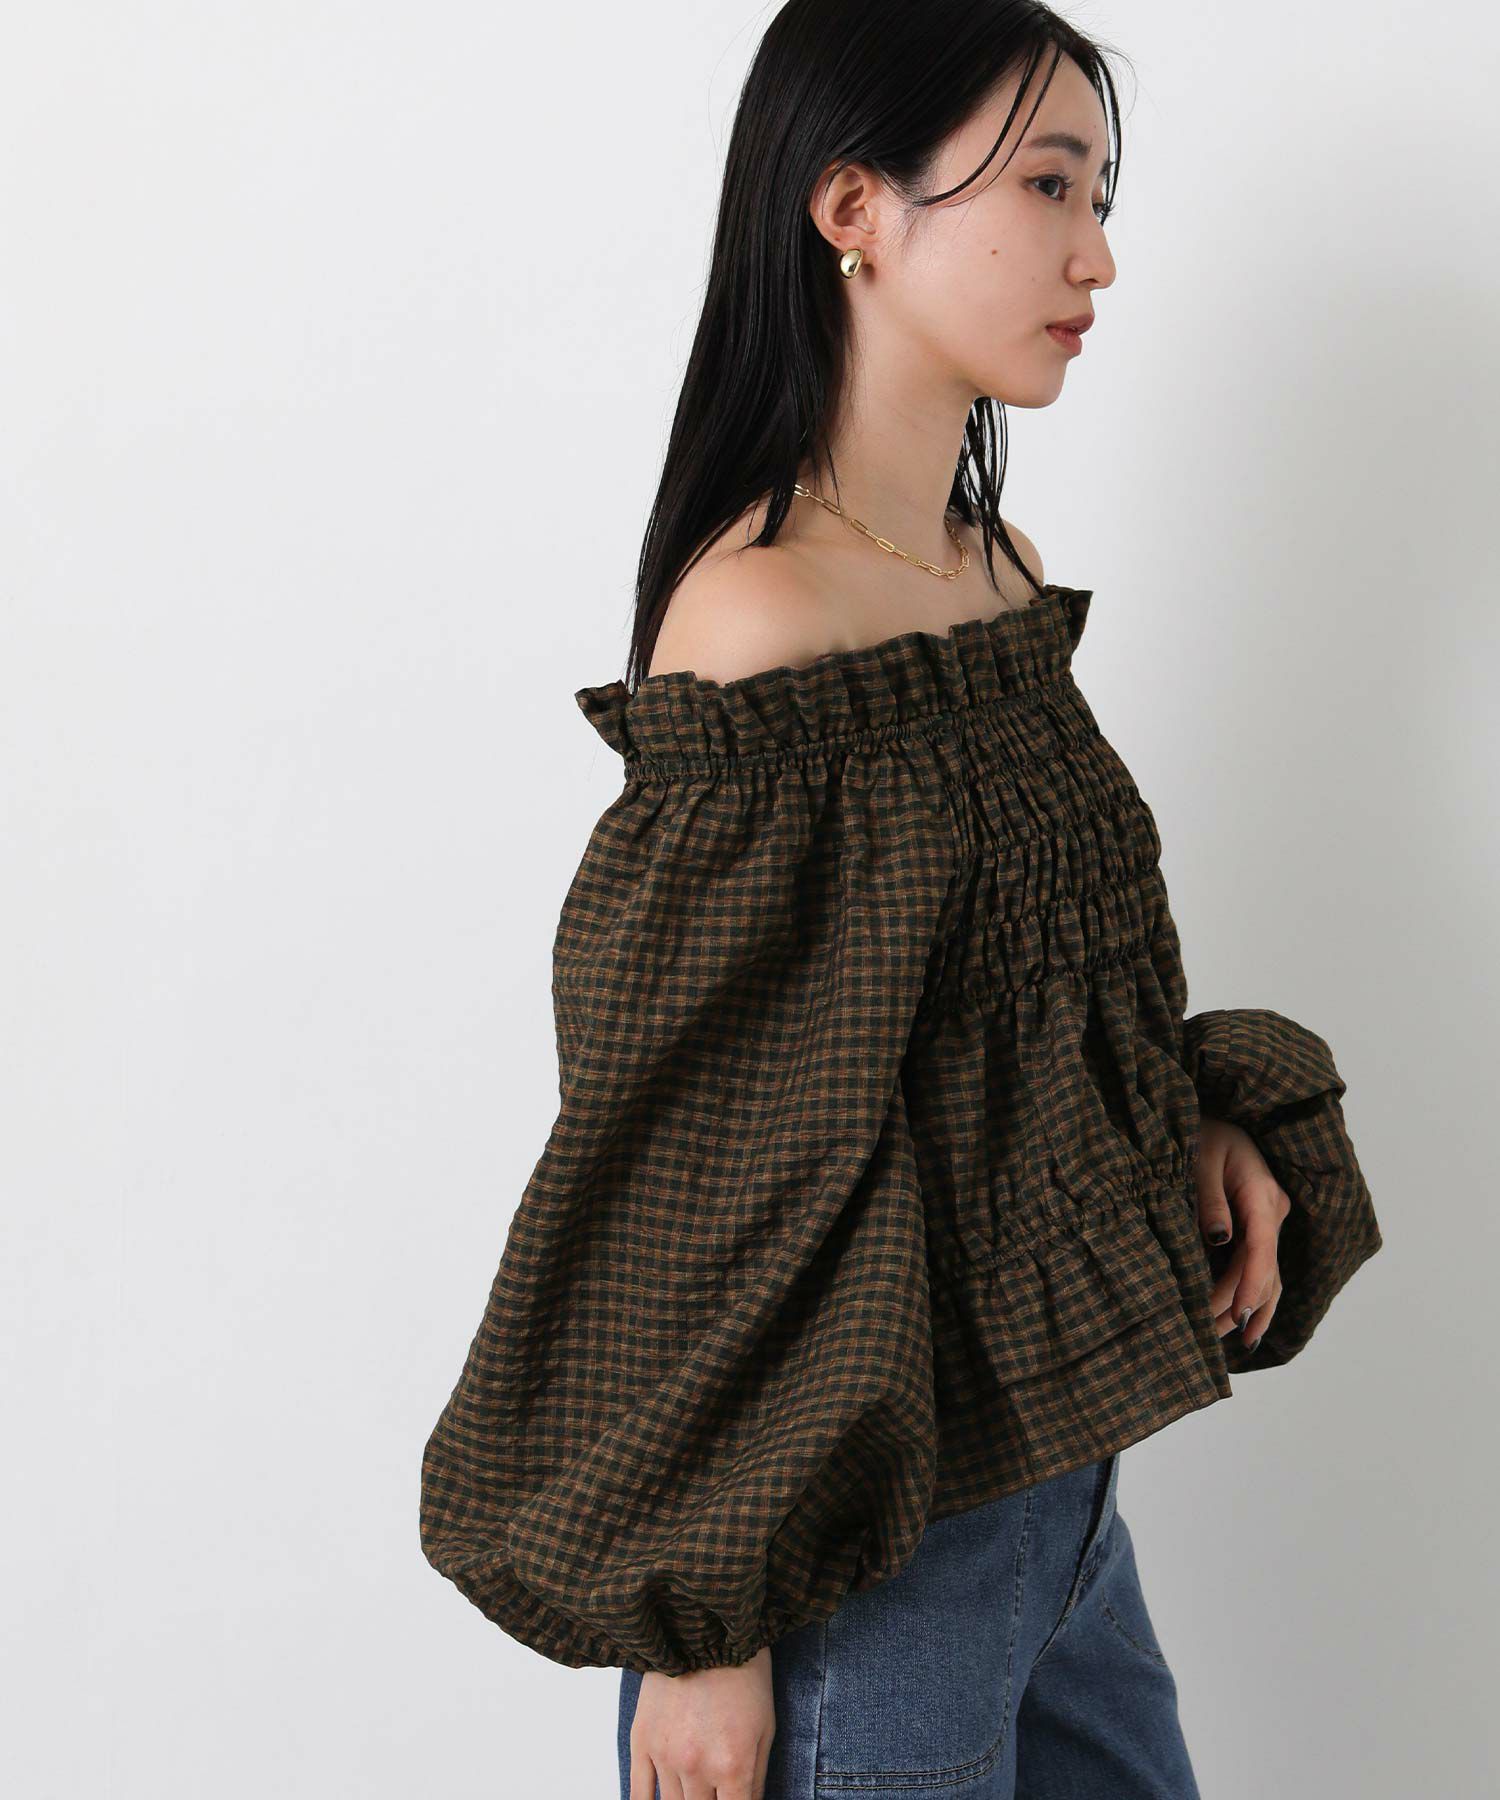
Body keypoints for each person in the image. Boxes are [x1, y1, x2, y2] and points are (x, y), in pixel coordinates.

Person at [418, 5, 1382, 1797]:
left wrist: (1187, 1115)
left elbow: (988, 1018)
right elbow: (690, 1164)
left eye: (1101, 196)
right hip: (862, 1573)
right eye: (1048, 187)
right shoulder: (759, 626)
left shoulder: (991, 578)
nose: (1097, 257)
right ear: (854, 207)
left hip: (1064, 1517)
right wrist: (704, 1638)